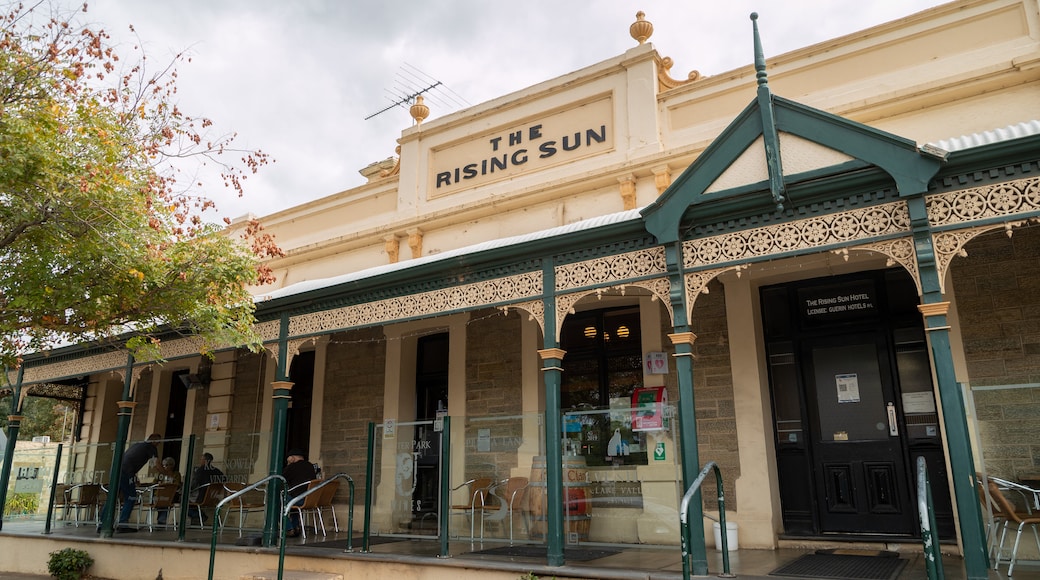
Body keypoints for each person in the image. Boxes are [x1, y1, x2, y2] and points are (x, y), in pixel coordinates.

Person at [104, 433, 172, 533]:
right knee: (131, 496)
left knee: (112, 498)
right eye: (159, 442)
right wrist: (167, 474)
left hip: (115, 470)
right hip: (125, 473)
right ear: (154, 441)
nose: (159, 444)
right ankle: (123, 524)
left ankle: (103, 524)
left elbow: (128, 460)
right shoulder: (151, 447)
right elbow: (157, 464)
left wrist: (134, 476)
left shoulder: (138, 445)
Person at [281, 448, 317, 537]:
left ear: (292, 458)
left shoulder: (292, 467)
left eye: (288, 459)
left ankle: (288, 529)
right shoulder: (310, 466)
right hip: (309, 499)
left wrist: (289, 465)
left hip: (299, 500)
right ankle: (295, 526)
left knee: (277, 502)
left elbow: (281, 478)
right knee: (293, 501)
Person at [188, 452, 225, 525]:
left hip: (201, 497)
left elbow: (194, 484)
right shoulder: (216, 471)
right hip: (213, 498)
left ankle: (200, 516)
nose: (200, 461)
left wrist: (187, 490)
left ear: (205, 461)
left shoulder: (200, 470)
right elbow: (224, 480)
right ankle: (198, 518)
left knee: (183, 502)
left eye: (201, 459)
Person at [155, 457, 182, 526]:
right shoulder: (160, 474)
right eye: (164, 465)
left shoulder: (176, 474)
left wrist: (170, 478)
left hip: (171, 495)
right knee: (161, 500)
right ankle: (161, 520)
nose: (165, 467)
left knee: (166, 500)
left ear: (172, 466)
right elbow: (154, 483)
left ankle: (161, 520)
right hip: (159, 494)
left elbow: (177, 484)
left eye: (167, 465)